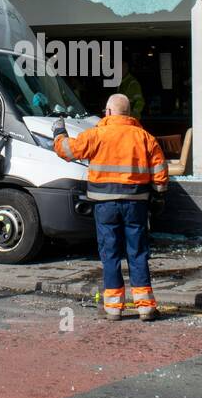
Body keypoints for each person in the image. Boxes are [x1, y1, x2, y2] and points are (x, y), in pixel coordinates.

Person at [53, 93, 168, 321]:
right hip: (136, 203)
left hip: (104, 204)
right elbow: (159, 171)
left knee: (110, 253)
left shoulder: (96, 135)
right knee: (138, 252)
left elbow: (66, 151)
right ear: (128, 113)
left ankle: (114, 308)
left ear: (107, 112)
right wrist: (159, 197)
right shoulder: (145, 137)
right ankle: (145, 306)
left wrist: (59, 131)